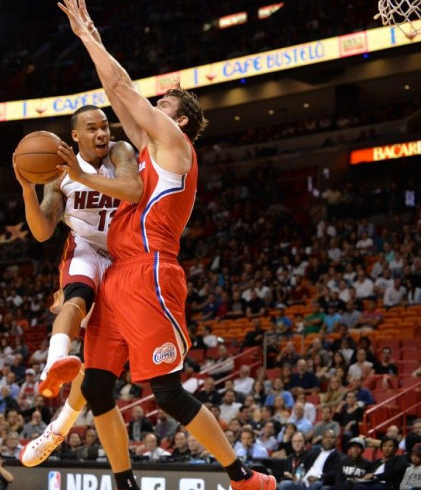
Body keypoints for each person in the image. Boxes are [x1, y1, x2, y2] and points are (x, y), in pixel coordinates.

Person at [58, 2, 275, 489]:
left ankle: (242, 477)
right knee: (96, 386)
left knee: (167, 392)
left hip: (149, 271)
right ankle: (123, 481)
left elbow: (122, 89)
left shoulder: (177, 147)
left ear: (178, 121)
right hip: (118, 273)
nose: (152, 108)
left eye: (163, 106)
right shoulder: (148, 150)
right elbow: (117, 94)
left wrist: (87, 35)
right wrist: (92, 41)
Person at [15, 104, 140, 466]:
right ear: (75, 136)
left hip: (124, 256)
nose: (102, 134)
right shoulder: (56, 176)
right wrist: (27, 191)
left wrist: (81, 176)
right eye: (92, 128)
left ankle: (58, 427)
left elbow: (132, 190)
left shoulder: (120, 152)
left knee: (95, 365)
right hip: (84, 248)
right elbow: (41, 232)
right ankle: (53, 364)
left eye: (104, 126)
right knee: (76, 297)